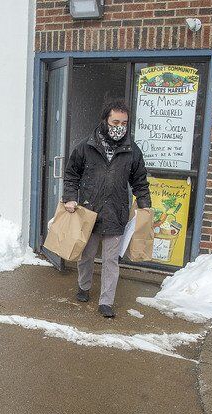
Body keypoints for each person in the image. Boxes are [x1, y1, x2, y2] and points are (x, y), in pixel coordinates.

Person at [61, 99, 152, 318]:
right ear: (105, 121)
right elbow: (71, 175)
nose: (120, 127)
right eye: (115, 122)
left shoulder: (132, 151)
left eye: (124, 122)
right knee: (87, 256)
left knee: (111, 261)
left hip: (116, 213)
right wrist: (70, 198)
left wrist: (145, 205)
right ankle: (84, 287)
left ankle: (106, 301)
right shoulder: (86, 146)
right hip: (89, 212)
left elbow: (140, 181)